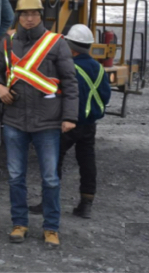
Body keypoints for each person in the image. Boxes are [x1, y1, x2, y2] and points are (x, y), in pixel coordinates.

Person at [0, 0, 79, 249]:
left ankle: (51, 227)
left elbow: (70, 82)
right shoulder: (7, 42)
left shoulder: (56, 43)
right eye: (24, 14)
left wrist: (69, 116)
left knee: (50, 178)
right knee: (15, 177)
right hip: (15, 120)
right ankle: (19, 224)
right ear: (18, 16)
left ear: (41, 16)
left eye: (33, 14)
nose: (29, 19)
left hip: (47, 121)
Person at [30, 24, 111, 218]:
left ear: (71, 47)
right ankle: (86, 205)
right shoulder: (99, 68)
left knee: (54, 161)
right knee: (87, 161)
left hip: (67, 123)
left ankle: (48, 203)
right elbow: (105, 95)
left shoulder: (68, 68)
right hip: (89, 124)